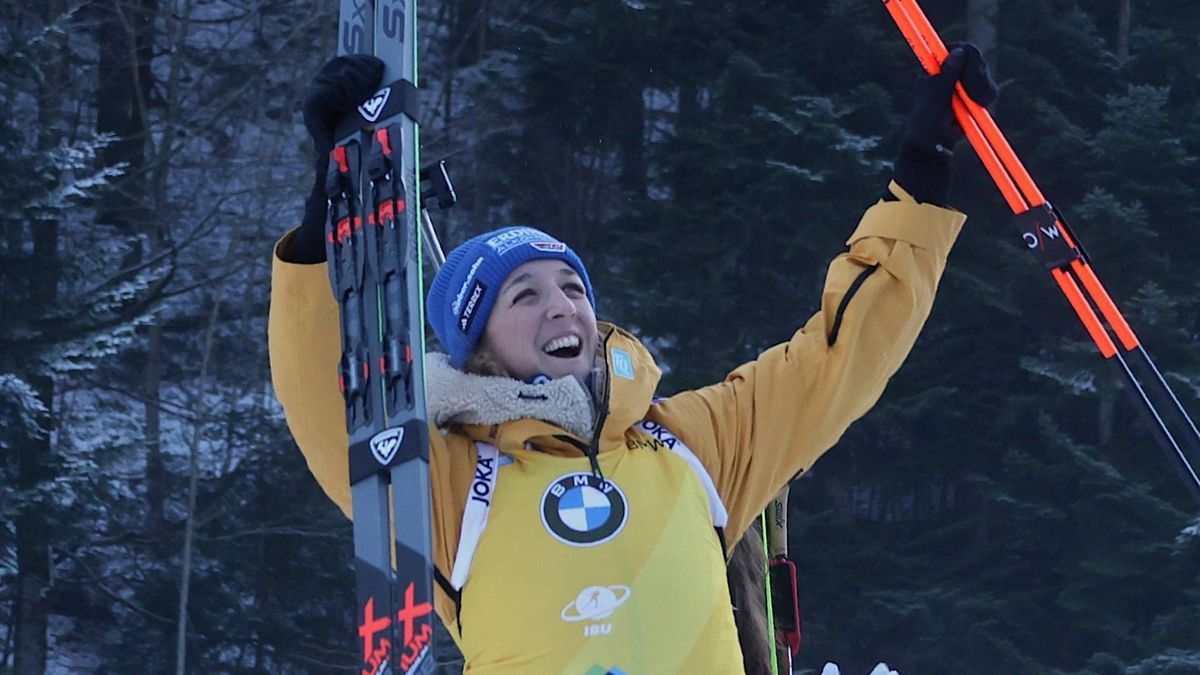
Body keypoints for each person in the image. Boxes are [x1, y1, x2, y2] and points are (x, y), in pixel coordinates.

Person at [269, 46, 996, 675]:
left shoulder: (694, 443)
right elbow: (337, 412)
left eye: (572, 286)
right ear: (476, 346)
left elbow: (840, 355)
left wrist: (922, 180)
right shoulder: (452, 483)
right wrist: (318, 235)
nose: (561, 305)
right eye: (523, 294)